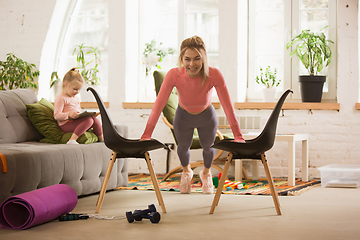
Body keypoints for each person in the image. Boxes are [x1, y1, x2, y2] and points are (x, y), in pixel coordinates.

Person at [141, 36, 245, 194]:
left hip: (206, 116)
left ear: (204, 58)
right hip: (183, 116)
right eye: (187, 59)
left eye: (197, 58)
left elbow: (227, 106)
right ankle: (186, 171)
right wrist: (146, 134)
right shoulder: (174, 75)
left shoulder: (214, 75)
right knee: (182, 148)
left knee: (208, 148)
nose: (192, 64)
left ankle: (206, 173)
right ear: (181, 59)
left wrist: (238, 135)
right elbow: (158, 106)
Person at [54, 67, 104, 144]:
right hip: (65, 124)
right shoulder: (61, 98)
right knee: (89, 120)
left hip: (74, 121)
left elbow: (77, 112)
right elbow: (56, 116)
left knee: (95, 120)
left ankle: (102, 139)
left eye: (79, 89)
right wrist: (69, 114)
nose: (77, 92)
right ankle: (72, 140)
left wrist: (86, 115)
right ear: (65, 84)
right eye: (75, 89)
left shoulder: (76, 98)